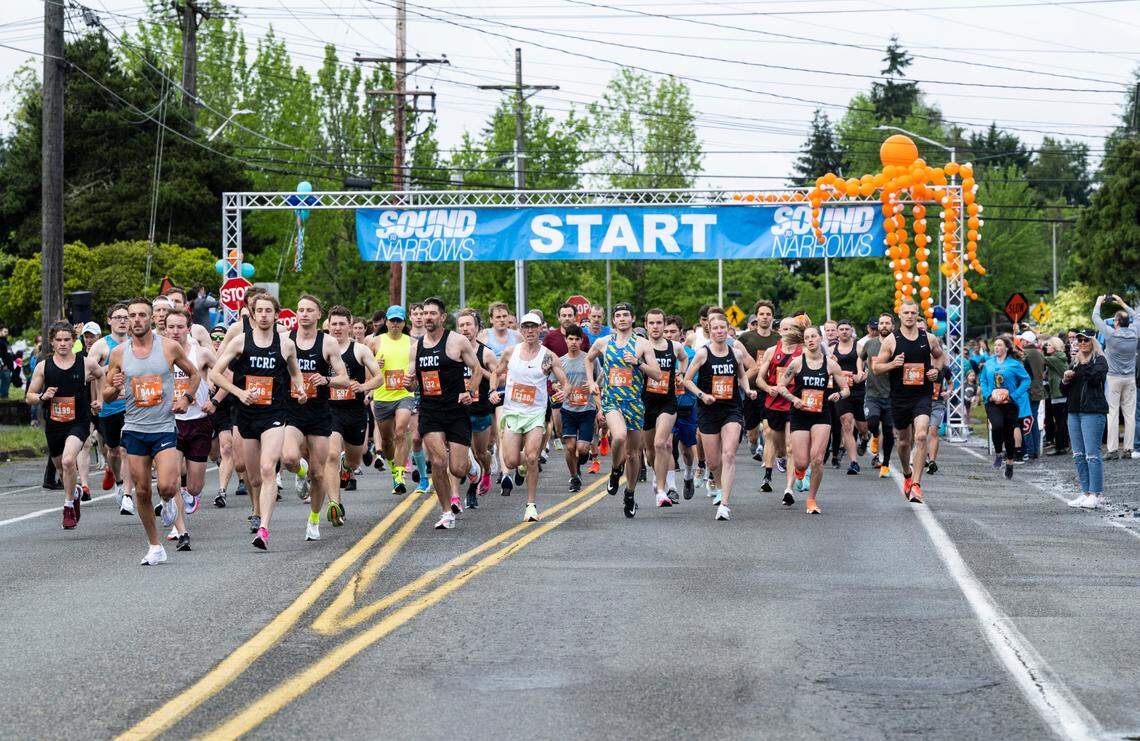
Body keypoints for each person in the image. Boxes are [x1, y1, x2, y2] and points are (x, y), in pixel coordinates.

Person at [103, 298, 201, 565]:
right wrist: (116, 386)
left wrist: (186, 399)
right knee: (143, 491)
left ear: (151, 319)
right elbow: (107, 395)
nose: (136, 320)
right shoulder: (119, 354)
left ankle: (169, 501)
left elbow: (195, 375)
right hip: (134, 428)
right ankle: (155, 545)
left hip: (163, 427)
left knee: (169, 485)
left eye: (141, 315)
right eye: (132, 315)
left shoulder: (169, 347)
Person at [210, 293, 307, 550]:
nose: (264, 315)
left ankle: (264, 528)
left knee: (267, 469)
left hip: (275, 414)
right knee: (253, 478)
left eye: (268, 311)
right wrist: (239, 392)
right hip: (246, 415)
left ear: (276, 315)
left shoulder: (286, 344)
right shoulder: (240, 342)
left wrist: (301, 388)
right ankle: (257, 510)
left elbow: (295, 373)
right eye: (259, 311)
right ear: (252, 315)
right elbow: (215, 373)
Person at [406, 297, 484, 529]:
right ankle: (446, 511)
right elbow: (412, 386)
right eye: (424, 313)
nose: (427, 317)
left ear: (441, 317)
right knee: (439, 462)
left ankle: (471, 467)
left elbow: (477, 370)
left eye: (432, 313)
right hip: (430, 411)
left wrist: (469, 391)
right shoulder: (416, 348)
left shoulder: (457, 341)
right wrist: (408, 383)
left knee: (456, 468)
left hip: (456, 410)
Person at [490, 312, 571, 522]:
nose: (529, 331)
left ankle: (531, 505)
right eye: (525, 327)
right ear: (521, 330)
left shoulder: (548, 356)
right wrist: (492, 392)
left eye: (533, 327)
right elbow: (495, 373)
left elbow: (565, 381)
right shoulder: (510, 352)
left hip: (535, 414)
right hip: (513, 412)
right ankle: (523, 467)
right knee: (510, 460)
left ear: (540, 329)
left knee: (532, 456)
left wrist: (565, 392)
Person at [584, 302, 663, 518]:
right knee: (618, 436)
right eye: (618, 315)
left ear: (633, 318)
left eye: (625, 315)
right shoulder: (603, 342)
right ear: (613, 320)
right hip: (611, 401)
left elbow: (657, 375)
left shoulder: (643, 344)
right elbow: (588, 359)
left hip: (634, 403)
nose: (621, 318)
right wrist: (591, 382)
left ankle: (630, 493)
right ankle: (615, 471)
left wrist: (638, 363)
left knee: (634, 453)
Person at [281, 295, 349, 536]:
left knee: (319, 473)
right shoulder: (285, 340)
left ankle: (313, 520)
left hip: (319, 413)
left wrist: (327, 379)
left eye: (310, 310)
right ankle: (300, 472)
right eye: (300, 309)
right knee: (289, 458)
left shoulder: (327, 343)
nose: (304, 314)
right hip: (292, 411)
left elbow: (344, 378)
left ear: (320, 315)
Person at [25, 322, 102, 530]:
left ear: (73, 341)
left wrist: (100, 399)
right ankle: (75, 492)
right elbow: (29, 397)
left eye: (67, 339)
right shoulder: (44, 366)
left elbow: (101, 374)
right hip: (54, 425)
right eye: (58, 340)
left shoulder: (85, 363)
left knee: (69, 461)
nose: (63, 344)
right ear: (51, 342)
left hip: (79, 422)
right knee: (61, 468)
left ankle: (68, 506)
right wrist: (42, 396)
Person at [682, 311, 756, 521]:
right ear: (710, 331)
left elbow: (741, 375)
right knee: (714, 463)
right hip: (708, 410)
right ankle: (719, 486)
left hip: (732, 408)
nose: (719, 331)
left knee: (730, 454)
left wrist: (748, 390)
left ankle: (725, 503)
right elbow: (687, 380)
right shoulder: (703, 354)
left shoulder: (736, 353)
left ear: (728, 330)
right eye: (715, 328)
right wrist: (702, 395)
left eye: (723, 328)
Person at [874, 300, 945, 503]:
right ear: (900, 315)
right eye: (906, 312)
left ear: (917, 314)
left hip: (922, 395)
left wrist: (935, 371)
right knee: (904, 442)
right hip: (899, 397)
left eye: (913, 313)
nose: (910, 316)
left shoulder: (928, 338)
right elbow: (877, 368)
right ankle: (907, 474)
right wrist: (893, 365)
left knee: (921, 435)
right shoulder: (891, 341)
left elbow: (940, 357)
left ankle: (916, 483)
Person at [776, 325, 850, 514]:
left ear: (820, 339)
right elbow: (781, 386)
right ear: (804, 341)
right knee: (801, 461)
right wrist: (794, 399)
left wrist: (838, 396)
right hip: (800, 414)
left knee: (817, 459)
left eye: (813, 336)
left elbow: (845, 389)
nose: (810, 340)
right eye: (807, 337)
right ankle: (800, 471)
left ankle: (812, 499)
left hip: (821, 414)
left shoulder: (831, 364)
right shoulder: (796, 363)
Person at [323, 305, 383, 527]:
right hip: (330, 411)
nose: (337, 328)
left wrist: (364, 387)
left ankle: (346, 467)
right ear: (328, 325)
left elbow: (379, 378)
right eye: (334, 324)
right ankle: (335, 504)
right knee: (330, 455)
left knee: (355, 459)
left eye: (341, 324)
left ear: (350, 325)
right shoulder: (322, 349)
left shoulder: (360, 350)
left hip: (355, 412)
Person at [163, 308, 217, 550]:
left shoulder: (201, 353)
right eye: (170, 327)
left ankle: (186, 494)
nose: (175, 331)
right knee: (171, 479)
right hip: (169, 424)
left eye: (179, 327)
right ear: (164, 329)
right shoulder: (158, 354)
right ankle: (181, 530)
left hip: (199, 423)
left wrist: (214, 400)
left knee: (194, 487)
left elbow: (227, 375)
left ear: (188, 328)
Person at [87, 303, 134, 515]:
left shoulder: (138, 343)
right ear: (109, 321)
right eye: (118, 317)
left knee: (126, 450)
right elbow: (85, 374)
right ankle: (118, 481)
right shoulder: (101, 346)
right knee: (113, 451)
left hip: (134, 406)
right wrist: (107, 369)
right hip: (109, 407)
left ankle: (127, 494)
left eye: (126, 317)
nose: (122, 321)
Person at [641, 308, 687, 507]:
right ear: (646, 325)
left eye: (659, 323)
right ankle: (656, 472)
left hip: (667, 401)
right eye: (651, 323)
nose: (655, 327)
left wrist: (681, 374)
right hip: (645, 402)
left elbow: (684, 358)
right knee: (650, 450)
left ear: (663, 324)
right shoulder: (640, 347)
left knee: (662, 443)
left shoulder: (674, 346)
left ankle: (661, 491)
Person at [370, 306, 417, 497]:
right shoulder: (375, 342)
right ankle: (393, 466)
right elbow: (366, 374)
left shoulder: (413, 343)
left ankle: (399, 476)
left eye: (399, 321)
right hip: (382, 396)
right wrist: (375, 366)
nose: (395, 324)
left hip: (404, 395)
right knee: (388, 440)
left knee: (401, 431)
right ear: (386, 322)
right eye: (392, 320)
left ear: (404, 323)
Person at [757, 317, 804, 503]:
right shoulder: (771, 351)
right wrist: (768, 388)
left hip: (793, 403)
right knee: (779, 447)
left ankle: (788, 489)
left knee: (791, 447)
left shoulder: (803, 352)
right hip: (774, 403)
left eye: (790, 328)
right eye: (783, 328)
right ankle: (780, 458)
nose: (786, 332)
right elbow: (760, 378)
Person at [1061, 330, 1109, 509]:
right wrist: (1065, 380)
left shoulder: (1100, 361)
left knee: (1092, 454)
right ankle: (1086, 492)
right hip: (1074, 411)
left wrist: (1083, 363)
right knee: (1078, 454)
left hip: (1093, 412)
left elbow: (1095, 379)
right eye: (1079, 340)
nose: (1081, 343)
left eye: (1085, 340)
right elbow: (1064, 390)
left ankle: (1096, 494)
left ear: (1093, 342)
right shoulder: (1075, 362)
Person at [456, 308, 496, 508]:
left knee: (481, 453)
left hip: (480, 410)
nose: (465, 329)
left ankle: (487, 471)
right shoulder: (453, 352)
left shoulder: (486, 353)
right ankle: (471, 492)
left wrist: (480, 372)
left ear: (477, 327)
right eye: (461, 325)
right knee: (462, 453)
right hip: (459, 411)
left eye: (468, 325)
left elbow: (500, 377)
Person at [1091, 294, 1138, 459]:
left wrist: (1099, 302)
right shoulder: (1134, 333)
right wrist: (1122, 303)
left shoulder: (1111, 334)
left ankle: (1112, 450)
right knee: (1130, 414)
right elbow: (1137, 316)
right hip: (1130, 377)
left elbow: (1095, 317)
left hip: (1113, 377)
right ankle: (1128, 449)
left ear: (1116, 323)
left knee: (1112, 413)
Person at [980, 336, 1030, 480]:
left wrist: (1014, 395)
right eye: (995, 345)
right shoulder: (988, 364)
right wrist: (988, 395)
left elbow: (1026, 380)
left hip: (1009, 404)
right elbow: (982, 380)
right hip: (992, 403)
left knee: (1009, 434)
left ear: (1007, 348)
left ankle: (1009, 462)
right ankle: (998, 453)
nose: (996, 348)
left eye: (1000, 345)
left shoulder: (1015, 364)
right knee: (996, 426)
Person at [557, 324, 600, 493]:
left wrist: (600, 408)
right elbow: (554, 381)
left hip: (587, 409)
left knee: (581, 449)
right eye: (570, 339)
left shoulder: (590, 359)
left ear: (582, 340)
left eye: (577, 339)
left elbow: (598, 382)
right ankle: (574, 477)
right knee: (569, 447)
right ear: (565, 340)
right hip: (568, 409)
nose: (574, 342)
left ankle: (582, 457)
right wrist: (557, 387)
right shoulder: (560, 362)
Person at [737, 300, 778, 463]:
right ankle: (754, 445)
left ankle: (769, 460)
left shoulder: (779, 339)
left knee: (769, 430)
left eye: (768, 314)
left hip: (771, 389)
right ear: (757, 316)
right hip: (751, 390)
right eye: (762, 314)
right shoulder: (745, 338)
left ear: (772, 317)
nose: (765, 317)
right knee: (752, 433)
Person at [666, 315, 699, 500]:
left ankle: (688, 476)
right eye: (666, 331)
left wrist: (682, 378)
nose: (669, 335)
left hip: (686, 406)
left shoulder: (692, 355)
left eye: (673, 332)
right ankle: (672, 487)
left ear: (681, 334)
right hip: (665, 406)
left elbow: (694, 381)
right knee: (667, 444)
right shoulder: (655, 352)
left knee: (686, 449)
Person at [831, 318, 867, 475]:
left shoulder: (859, 348)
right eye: (841, 329)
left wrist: (862, 376)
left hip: (858, 391)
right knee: (847, 423)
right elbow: (828, 371)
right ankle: (854, 462)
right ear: (837, 332)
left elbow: (870, 369)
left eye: (847, 329)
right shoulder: (832, 350)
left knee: (862, 426)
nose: (844, 331)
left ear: (851, 331)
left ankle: (865, 437)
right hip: (841, 392)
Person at [1019, 331, 1046, 460]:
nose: (1021, 342)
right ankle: (1034, 450)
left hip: (1029, 391)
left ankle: (1029, 451)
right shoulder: (1039, 353)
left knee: (1027, 421)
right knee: (1033, 421)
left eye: (1022, 340)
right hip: (1038, 390)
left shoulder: (1026, 354)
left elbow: (1024, 375)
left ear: (1027, 342)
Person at [1043, 336, 1070, 456]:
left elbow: (1040, 359)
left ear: (1055, 346)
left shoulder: (1055, 358)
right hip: (1058, 394)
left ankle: (1061, 447)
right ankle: (1062, 445)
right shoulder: (1058, 357)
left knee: (1060, 422)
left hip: (1060, 394)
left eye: (1049, 345)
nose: (1047, 347)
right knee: (1061, 421)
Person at [925, 363, 952, 474]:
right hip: (922, 403)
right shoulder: (922, 363)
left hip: (938, 403)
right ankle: (924, 455)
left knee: (933, 431)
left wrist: (948, 392)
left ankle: (932, 461)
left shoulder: (944, 368)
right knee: (922, 432)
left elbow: (950, 383)